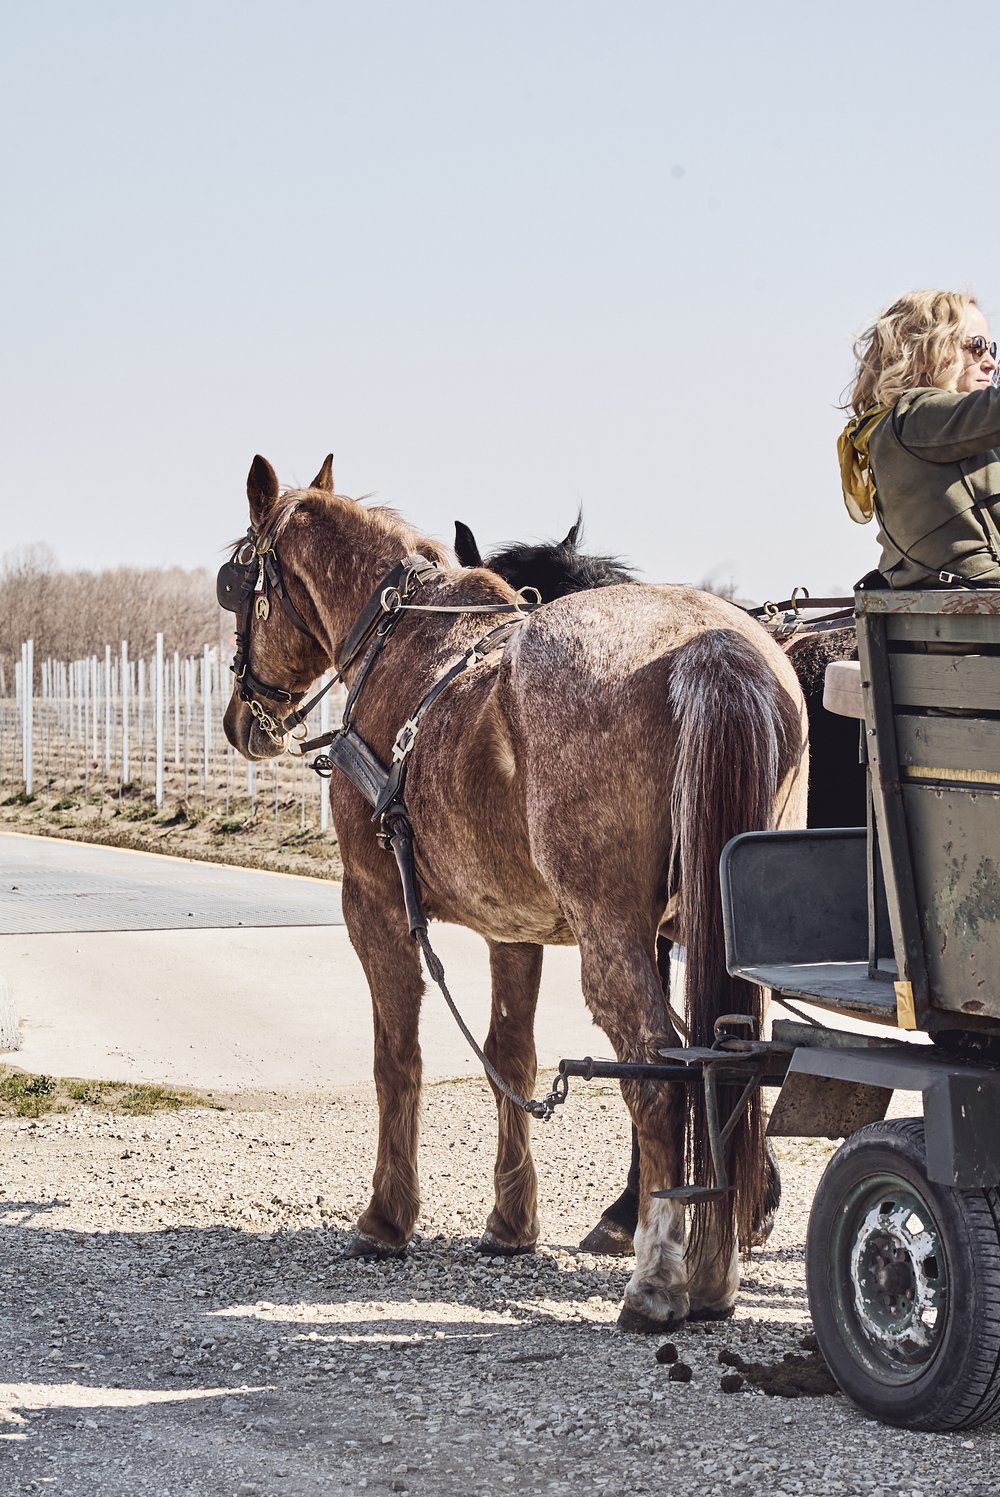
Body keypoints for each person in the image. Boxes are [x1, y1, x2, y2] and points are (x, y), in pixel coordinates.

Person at [839, 290, 1000, 587]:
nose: (990, 362)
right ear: (927, 353)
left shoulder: (945, 428)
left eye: (992, 349)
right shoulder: (917, 418)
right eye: (977, 347)